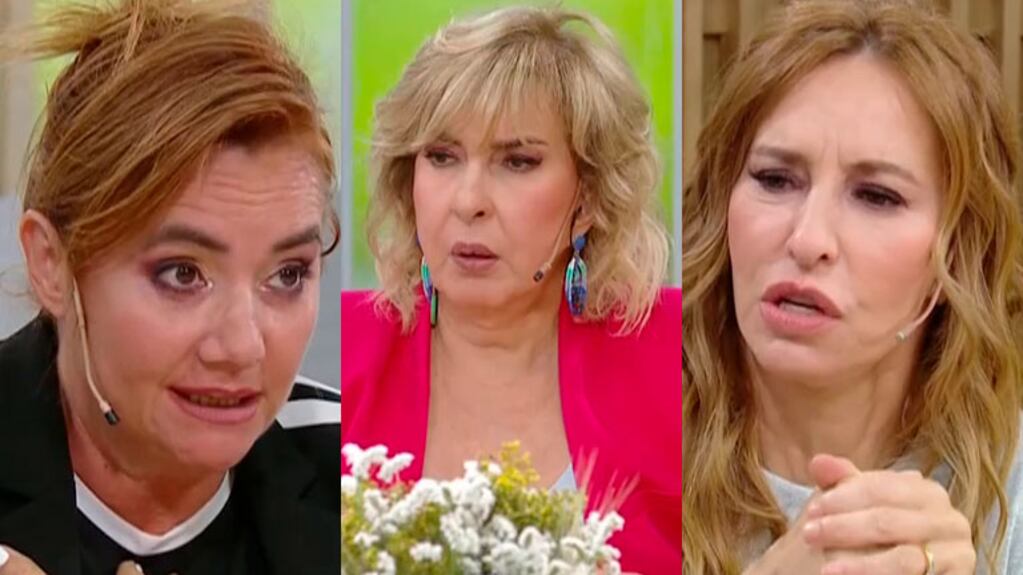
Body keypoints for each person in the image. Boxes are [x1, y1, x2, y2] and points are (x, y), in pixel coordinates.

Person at [682, 0, 1023, 573]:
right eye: (775, 179)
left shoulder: (1009, 482)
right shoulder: (624, 438)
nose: (807, 239)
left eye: (876, 196)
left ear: (958, 252)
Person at [0, 1, 341, 573]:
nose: (242, 348)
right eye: (182, 274)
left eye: (288, 275)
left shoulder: (367, 468)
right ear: (51, 263)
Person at [341, 5, 680, 573]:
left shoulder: (675, 349)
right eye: (442, 157)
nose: (468, 201)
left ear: (588, 199)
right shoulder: (342, 347)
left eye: (517, 162)